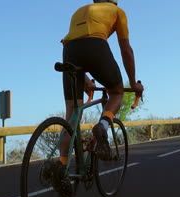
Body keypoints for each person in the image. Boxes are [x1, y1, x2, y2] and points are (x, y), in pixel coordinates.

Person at [60, 0, 143, 164]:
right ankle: (102, 126)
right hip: (95, 45)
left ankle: (61, 167)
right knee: (117, 92)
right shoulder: (118, 12)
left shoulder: (79, 11)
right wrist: (133, 83)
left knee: (72, 112)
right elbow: (126, 49)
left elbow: (78, 45)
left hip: (69, 50)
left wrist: (84, 79)